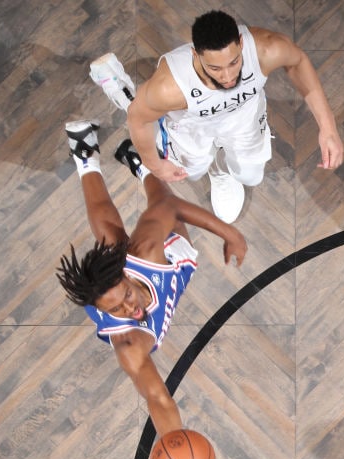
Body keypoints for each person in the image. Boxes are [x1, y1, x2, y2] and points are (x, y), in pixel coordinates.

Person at [56, 120, 247, 437]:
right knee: (110, 239)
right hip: (154, 275)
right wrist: (174, 439)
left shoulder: (145, 252)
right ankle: (110, 156)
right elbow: (157, 397)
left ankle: (120, 159)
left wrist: (231, 233)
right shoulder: (128, 344)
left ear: (126, 277)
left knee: (153, 204)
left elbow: (169, 207)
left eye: (127, 297)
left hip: (160, 262)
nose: (129, 310)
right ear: (104, 311)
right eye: (116, 309)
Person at [91, 10, 344, 224]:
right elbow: (138, 119)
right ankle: (122, 90)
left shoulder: (267, 49)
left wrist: (328, 126)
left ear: (242, 45)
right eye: (215, 68)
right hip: (191, 125)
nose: (227, 77)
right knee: (188, 169)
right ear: (195, 55)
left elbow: (298, 61)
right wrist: (154, 165)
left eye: (233, 63)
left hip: (243, 118)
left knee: (251, 175)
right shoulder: (170, 88)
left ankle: (222, 169)